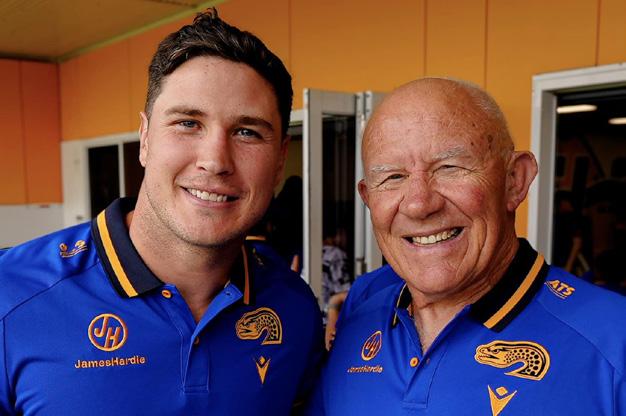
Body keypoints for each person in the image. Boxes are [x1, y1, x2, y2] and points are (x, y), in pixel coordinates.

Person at [0, 9, 323, 415]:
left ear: (279, 161)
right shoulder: (11, 295)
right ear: (145, 138)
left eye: (247, 132)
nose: (215, 161)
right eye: (188, 123)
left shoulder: (293, 307)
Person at [306, 78, 626, 415]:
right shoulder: (356, 326)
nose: (419, 204)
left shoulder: (614, 340)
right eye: (393, 177)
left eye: (449, 167)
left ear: (514, 180)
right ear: (368, 198)